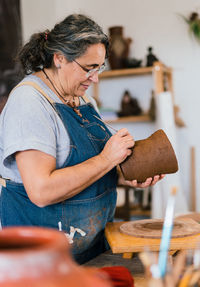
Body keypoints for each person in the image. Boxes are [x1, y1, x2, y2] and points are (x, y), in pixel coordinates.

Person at [0, 14, 164, 264]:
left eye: (99, 68)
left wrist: (128, 174)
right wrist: (107, 159)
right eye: (88, 68)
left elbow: (95, 167)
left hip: (90, 248)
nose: (95, 78)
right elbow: (41, 191)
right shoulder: (29, 103)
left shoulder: (84, 101)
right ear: (59, 58)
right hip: (41, 260)